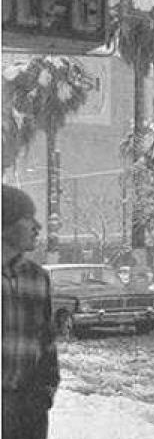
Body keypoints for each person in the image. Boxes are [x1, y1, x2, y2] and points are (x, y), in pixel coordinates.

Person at [2, 185, 60, 439]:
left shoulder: (38, 278)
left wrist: (44, 393)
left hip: (28, 410)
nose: (37, 227)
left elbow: (46, 344)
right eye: (28, 218)